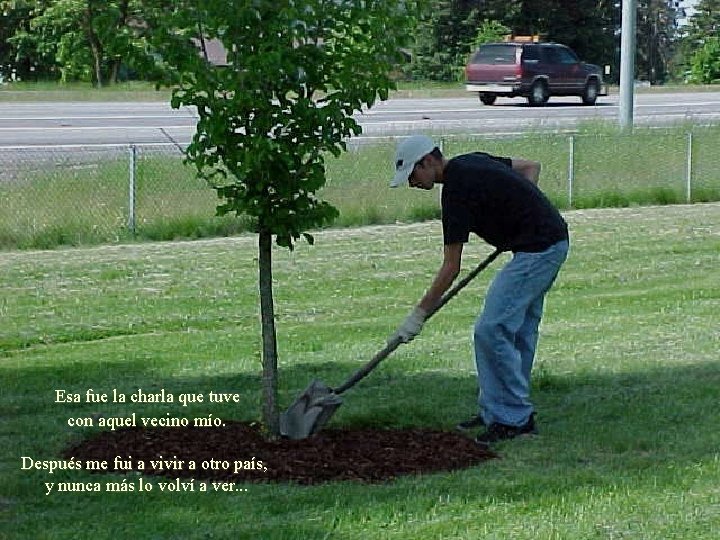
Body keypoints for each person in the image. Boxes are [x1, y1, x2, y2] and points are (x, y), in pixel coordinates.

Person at [388, 134, 569, 446]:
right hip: (547, 241)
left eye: (413, 175)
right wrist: (521, 212)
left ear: (428, 161)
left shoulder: (457, 190)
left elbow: (451, 267)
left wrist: (417, 316)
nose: (411, 184)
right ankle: (499, 412)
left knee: (492, 329)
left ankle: (513, 419)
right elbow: (529, 168)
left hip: (539, 250)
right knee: (518, 331)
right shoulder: (472, 160)